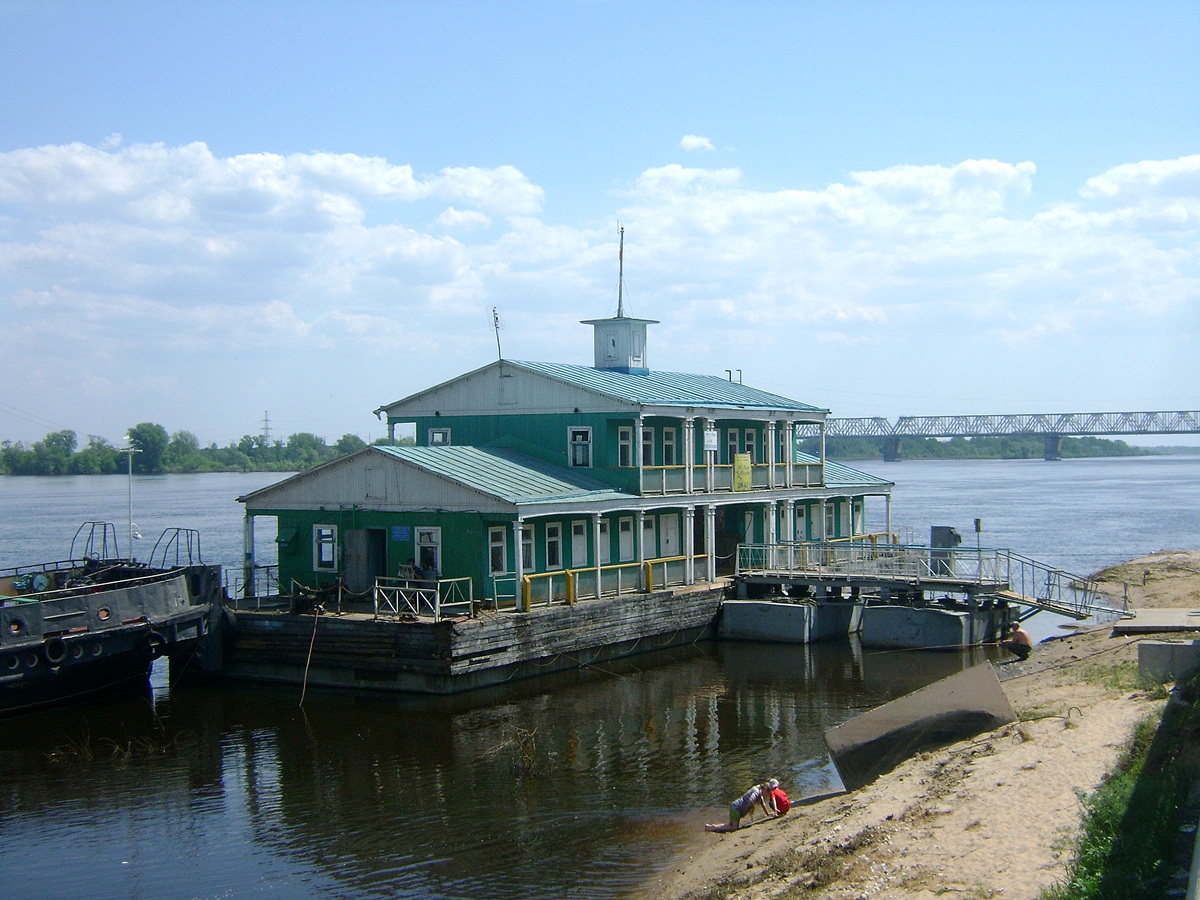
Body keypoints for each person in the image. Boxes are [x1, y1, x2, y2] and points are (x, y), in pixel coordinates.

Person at [705, 781, 776, 832]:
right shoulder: (757, 792)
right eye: (768, 793)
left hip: (735, 806)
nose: (768, 795)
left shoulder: (759, 792)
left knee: (730, 825)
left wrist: (767, 814)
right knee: (734, 828)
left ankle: (711, 827)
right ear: (764, 790)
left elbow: (762, 803)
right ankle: (711, 828)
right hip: (737, 808)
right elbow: (751, 800)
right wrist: (752, 809)